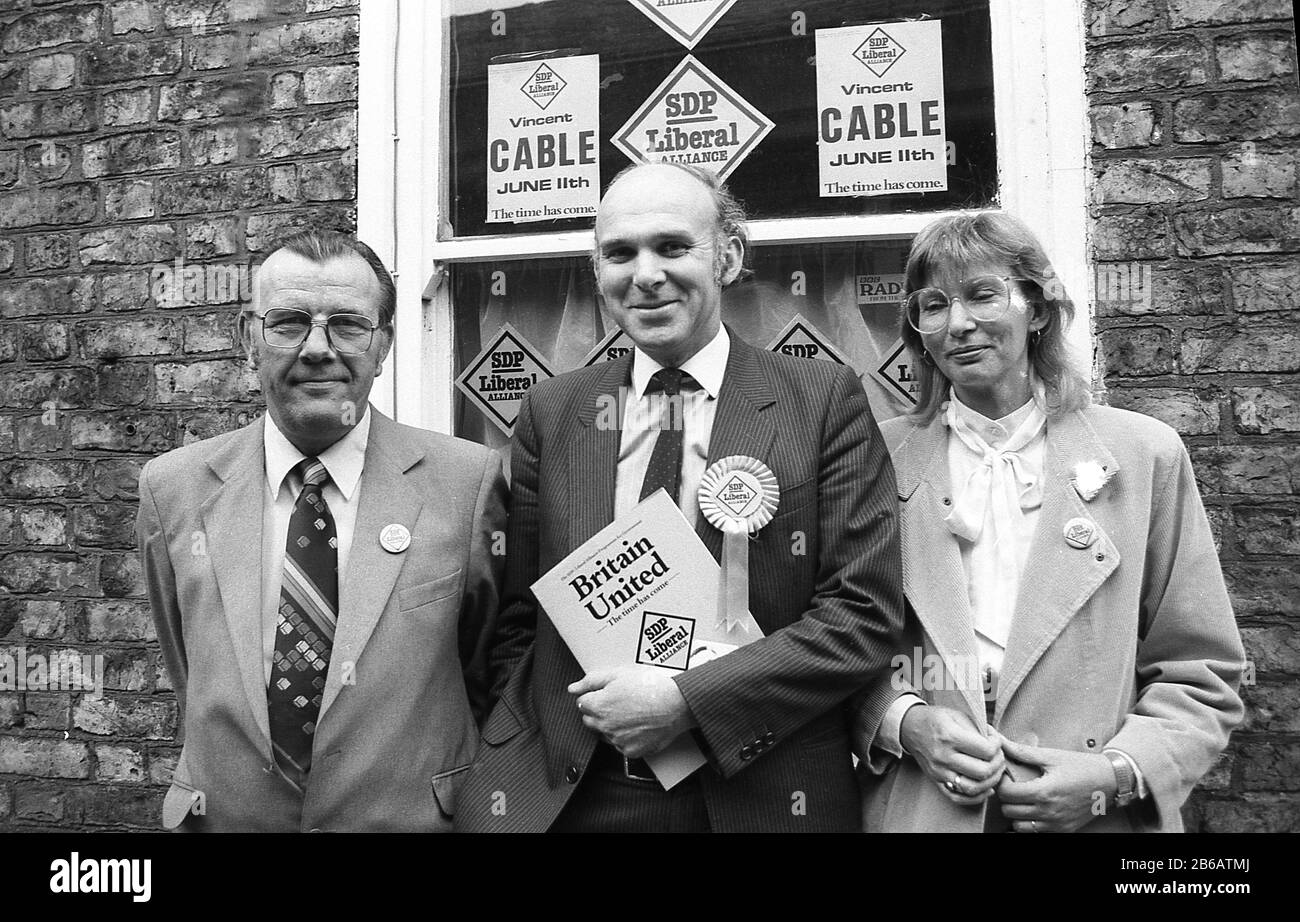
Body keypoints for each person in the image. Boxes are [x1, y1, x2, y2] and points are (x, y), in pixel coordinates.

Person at [455, 162, 905, 833]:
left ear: (729, 257)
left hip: (758, 791)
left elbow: (860, 615)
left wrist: (686, 702)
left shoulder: (821, 401)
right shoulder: (555, 410)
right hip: (577, 794)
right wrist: (527, 734)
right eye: (619, 253)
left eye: (672, 247)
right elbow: (522, 615)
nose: (645, 274)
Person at [855, 212, 1245, 832]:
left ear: (1037, 309)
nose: (957, 324)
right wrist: (903, 720)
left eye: (983, 294)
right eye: (933, 305)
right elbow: (828, 647)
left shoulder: (1145, 455)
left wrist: (1115, 776)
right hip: (924, 807)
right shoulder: (871, 458)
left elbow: (1203, 674)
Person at [136, 231, 507, 831]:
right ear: (247, 339)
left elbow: (485, 668)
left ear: (383, 344)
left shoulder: (466, 483)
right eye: (287, 323)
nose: (317, 349)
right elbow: (191, 665)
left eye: (348, 325)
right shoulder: (173, 489)